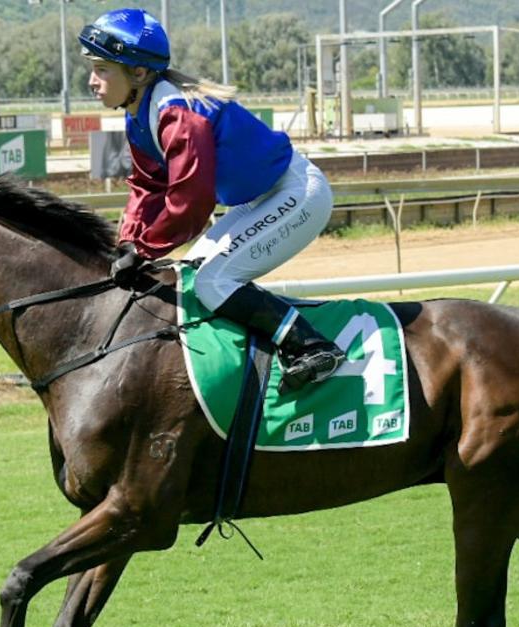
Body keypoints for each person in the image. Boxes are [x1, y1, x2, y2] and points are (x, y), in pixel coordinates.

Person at [78, 8, 345, 392]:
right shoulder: (140, 114)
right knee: (190, 275)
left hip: (296, 194)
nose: (92, 81)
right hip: (258, 200)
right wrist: (129, 240)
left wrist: (145, 249)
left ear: (138, 73)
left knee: (213, 281)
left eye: (102, 70)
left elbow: (191, 199)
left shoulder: (177, 114)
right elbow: (149, 184)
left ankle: (314, 348)